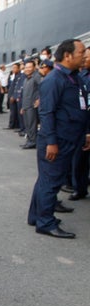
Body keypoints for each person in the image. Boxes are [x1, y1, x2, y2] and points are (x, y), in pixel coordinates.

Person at [27, 39, 89, 238]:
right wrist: (52, 142)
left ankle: (36, 216)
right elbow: (47, 113)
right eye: (81, 52)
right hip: (57, 141)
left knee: (47, 179)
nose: (84, 55)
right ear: (68, 55)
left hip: (69, 137)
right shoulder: (55, 79)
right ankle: (45, 221)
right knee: (51, 181)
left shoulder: (74, 77)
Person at [68, 46, 90, 201]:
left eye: (86, 56)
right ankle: (79, 187)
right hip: (83, 125)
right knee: (79, 160)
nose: (84, 58)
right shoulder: (81, 76)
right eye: (83, 55)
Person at [20, 60, 42, 149]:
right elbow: (24, 94)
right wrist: (22, 107)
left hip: (32, 106)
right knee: (27, 125)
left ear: (34, 68)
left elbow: (43, 87)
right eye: (26, 67)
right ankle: (29, 140)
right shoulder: (26, 79)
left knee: (32, 124)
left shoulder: (36, 77)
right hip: (25, 105)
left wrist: (39, 99)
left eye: (29, 67)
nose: (27, 69)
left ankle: (33, 141)